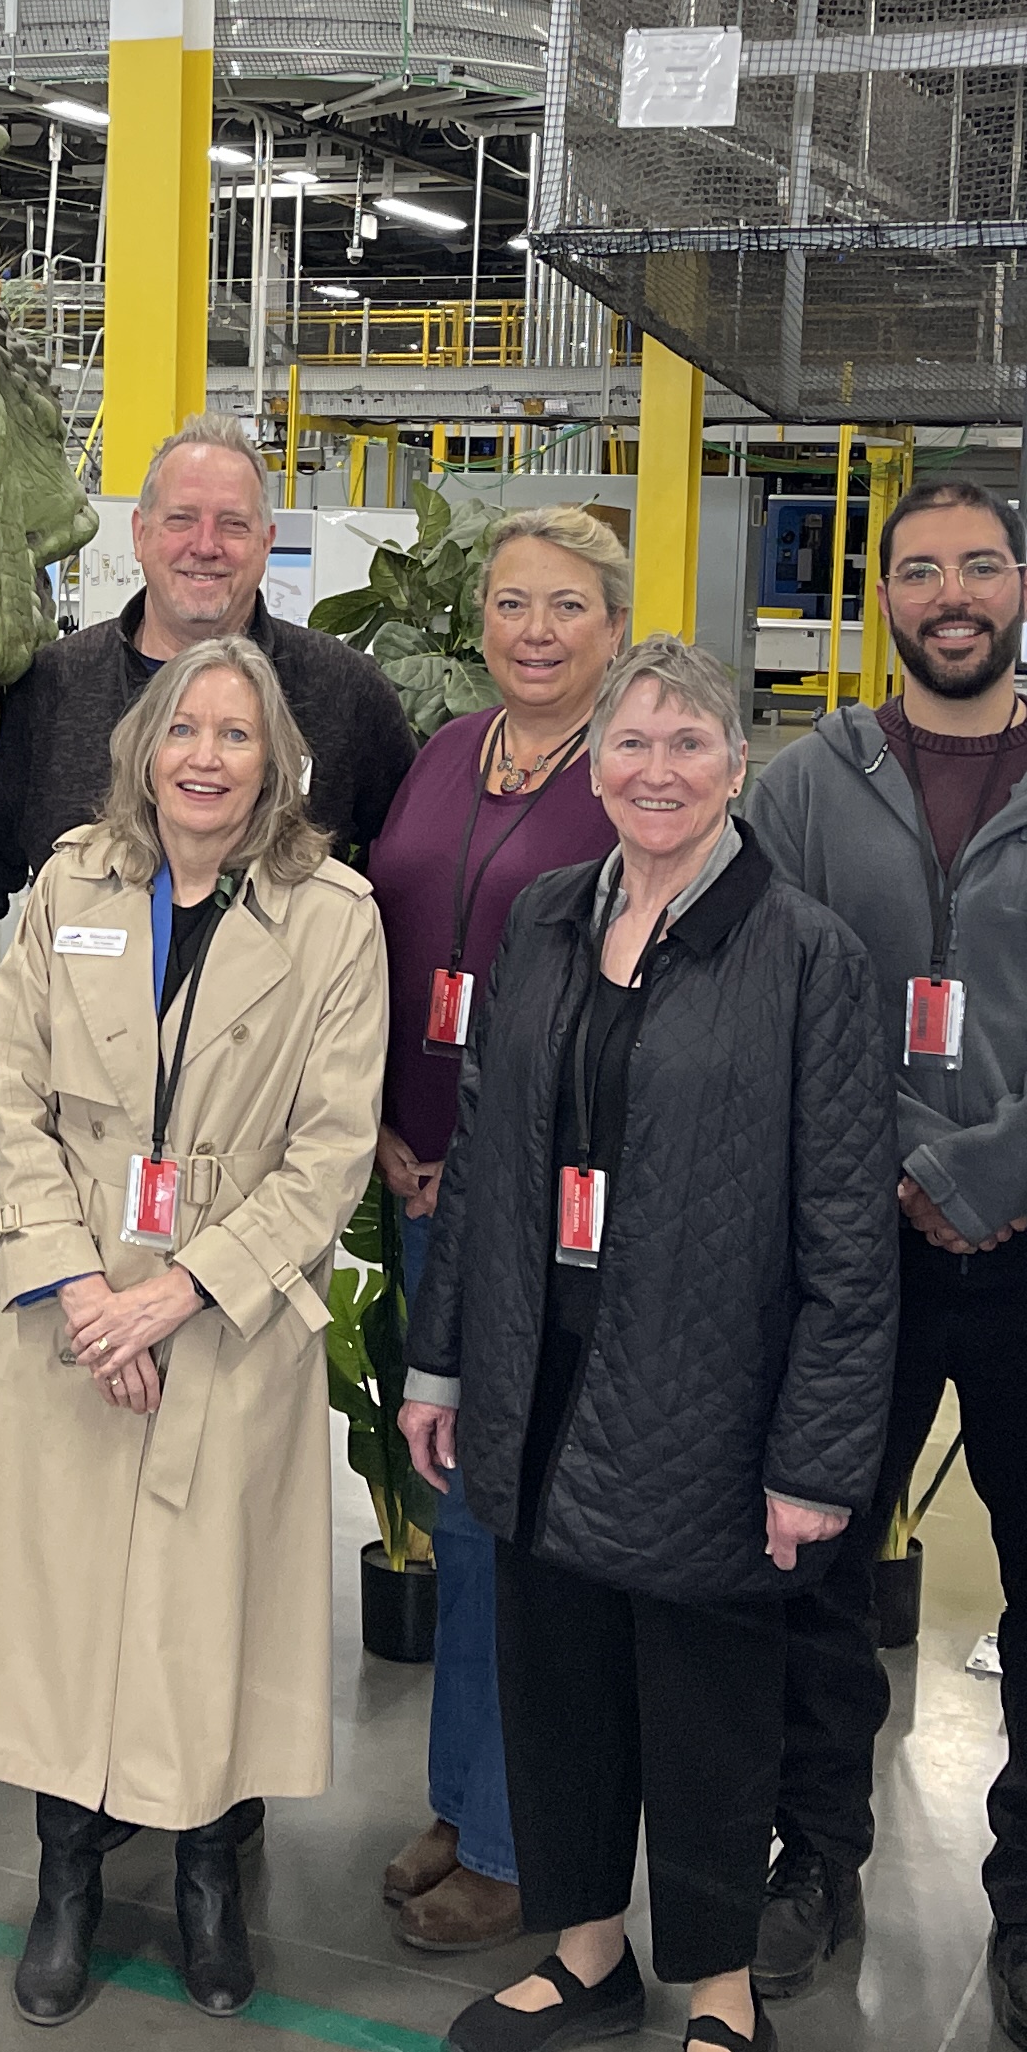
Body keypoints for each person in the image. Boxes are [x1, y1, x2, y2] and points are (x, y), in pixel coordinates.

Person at [398, 638, 898, 2052]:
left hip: (706, 1395)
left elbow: (845, 1228)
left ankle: (725, 1999)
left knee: (703, 1709)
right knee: (554, 1677)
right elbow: (485, 1162)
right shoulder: (548, 920)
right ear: (595, 765)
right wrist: (442, 1361)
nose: (657, 771)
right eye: (632, 745)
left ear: (738, 768)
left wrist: (816, 1456)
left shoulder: (806, 954)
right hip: (540, 1374)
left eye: (689, 744)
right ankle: (586, 1952)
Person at [0, 636, 389, 2026]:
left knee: (206, 1614)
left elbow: (331, 1150)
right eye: (186, 730)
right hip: (72, 1316)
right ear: (144, 748)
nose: (206, 757)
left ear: (275, 760)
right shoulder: (74, 885)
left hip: (226, 1317)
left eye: (237, 736)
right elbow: (19, 1104)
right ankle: (65, 1879)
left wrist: (178, 1296)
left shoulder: (333, 914)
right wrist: (81, 1293)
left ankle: (207, 1879)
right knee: (65, 1611)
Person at [758, 478, 1027, 2051]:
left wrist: (999, 1166)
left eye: (976, 567)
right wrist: (905, 1167)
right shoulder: (806, 785)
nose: (950, 593)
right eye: (918, 570)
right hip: (862, 1253)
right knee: (820, 1558)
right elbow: (780, 997)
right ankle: (817, 1855)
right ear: (886, 598)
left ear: (1026, 588)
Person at [0, 415, 413, 1081]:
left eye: (233, 525)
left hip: (271, 1103)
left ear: (267, 543)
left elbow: (410, 885)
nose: (205, 545)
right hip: (86, 1095)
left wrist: (402, 1101)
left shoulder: (344, 696)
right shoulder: (57, 687)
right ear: (140, 534)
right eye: (182, 519)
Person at [366, 507, 628, 1954]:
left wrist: (486, 1161)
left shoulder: (633, 771)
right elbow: (391, 949)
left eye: (568, 606)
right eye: (514, 602)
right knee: (458, 1502)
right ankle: (466, 1799)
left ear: (612, 626)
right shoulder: (446, 753)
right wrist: (388, 1128)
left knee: (532, 1521)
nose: (536, 629)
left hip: (545, 1209)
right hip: (419, 1185)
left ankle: (533, 1839)